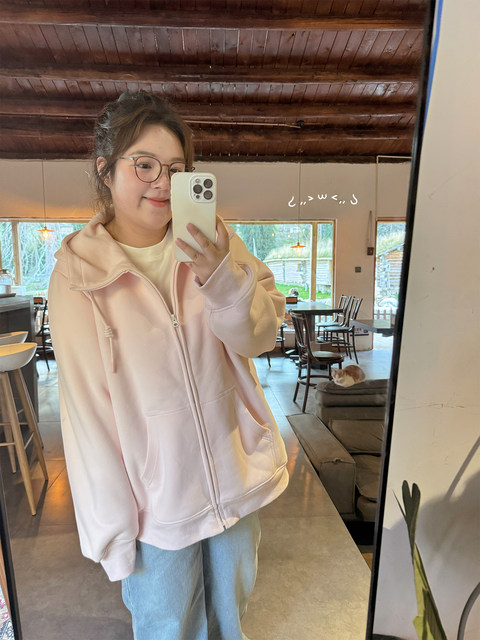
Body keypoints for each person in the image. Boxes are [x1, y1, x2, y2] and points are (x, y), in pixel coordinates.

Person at [48, 91, 289, 640]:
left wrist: (221, 277)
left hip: (234, 475)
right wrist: (113, 533)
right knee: (167, 630)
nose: (162, 183)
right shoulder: (77, 276)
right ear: (105, 170)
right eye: (145, 165)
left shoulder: (215, 241)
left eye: (176, 169)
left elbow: (260, 338)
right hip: (155, 509)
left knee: (231, 624)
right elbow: (87, 413)